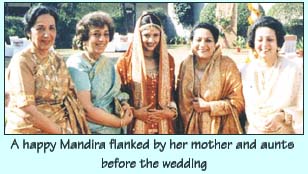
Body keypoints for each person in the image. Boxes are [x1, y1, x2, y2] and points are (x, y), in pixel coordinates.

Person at [5, 5, 90, 134]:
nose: (47, 34)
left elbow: (70, 99)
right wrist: (62, 133)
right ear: (29, 32)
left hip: (63, 127)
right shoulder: (22, 61)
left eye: (52, 28)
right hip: (29, 132)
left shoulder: (58, 60)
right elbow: (28, 111)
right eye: (40, 28)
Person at [66, 11, 133, 134]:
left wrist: (124, 104)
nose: (102, 39)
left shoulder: (107, 63)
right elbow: (86, 109)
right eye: (96, 34)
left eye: (106, 34)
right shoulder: (77, 64)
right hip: (90, 132)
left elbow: (115, 93)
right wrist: (120, 122)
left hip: (115, 131)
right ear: (84, 38)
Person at [177, 22, 244, 134]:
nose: (202, 45)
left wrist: (209, 106)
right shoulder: (185, 65)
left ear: (215, 44)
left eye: (208, 40)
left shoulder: (227, 65)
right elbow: (179, 99)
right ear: (191, 42)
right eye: (198, 40)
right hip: (189, 130)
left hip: (221, 130)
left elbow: (238, 102)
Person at [116, 12, 177, 134]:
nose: (151, 40)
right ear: (138, 36)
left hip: (164, 124)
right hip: (135, 124)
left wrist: (170, 112)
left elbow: (172, 93)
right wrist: (135, 113)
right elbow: (117, 94)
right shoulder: (125, 61)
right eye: (146, 35)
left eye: (156, 35)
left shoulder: (167, 61)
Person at [241, 16, 303, 134]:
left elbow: (301, 109)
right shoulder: (245, 70)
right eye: (259, 40)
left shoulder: (294, 69)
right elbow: (243, 108)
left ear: (278, 42)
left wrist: (281, 116)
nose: (264, 44)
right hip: (254, 135)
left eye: (270, 39)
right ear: (253, 42)